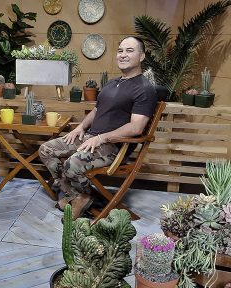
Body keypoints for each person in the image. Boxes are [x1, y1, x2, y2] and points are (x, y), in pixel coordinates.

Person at [39, 36, 159, 220]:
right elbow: (96, 110)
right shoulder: (113, 83)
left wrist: (101, 138)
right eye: (120, 51)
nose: (123, 55)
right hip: (90, 138)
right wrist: (80, 128)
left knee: (72, 164)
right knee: (46, 149)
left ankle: (83, 197)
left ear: (141, 56)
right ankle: (76, 195)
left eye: (129, 50)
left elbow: (136, 127)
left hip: (113, 147)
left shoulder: (144, 89)